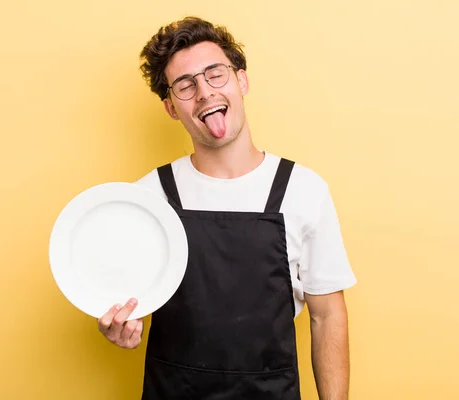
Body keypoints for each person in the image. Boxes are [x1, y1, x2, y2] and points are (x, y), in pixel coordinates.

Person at [97, 16, 357, 400]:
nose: (204, 92)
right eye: (186, 85)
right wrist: (119, 324)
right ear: (171, 108)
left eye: (215, 74)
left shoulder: (303, 190)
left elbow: (327, 316)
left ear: (242, 81)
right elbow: (120, 301)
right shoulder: (148, 197)